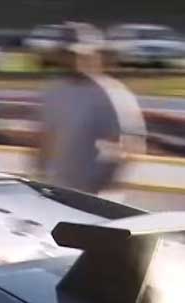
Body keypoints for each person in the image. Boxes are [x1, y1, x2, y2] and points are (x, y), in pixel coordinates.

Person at [34, 23, 146, 195]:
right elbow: (47, 138)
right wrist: (39, 176)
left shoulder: (113, 94)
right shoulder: (55, 91)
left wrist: (99, 190)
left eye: (79, 55)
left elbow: (131, 147)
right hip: (59, 192)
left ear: (95, 54)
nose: (72, 61)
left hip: (99, 197)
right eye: (66, 54)